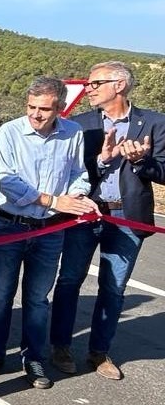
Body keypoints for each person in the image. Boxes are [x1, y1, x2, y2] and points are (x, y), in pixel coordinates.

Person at [0, 77, 97, 389]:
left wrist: (78, 196)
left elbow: (79, 173)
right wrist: (55, 200)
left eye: (44, 109)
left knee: (38, 298)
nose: (36, 114)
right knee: (0, 294)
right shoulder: (10, 131)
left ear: (59, 108)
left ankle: (34, 358)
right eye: (31, 107)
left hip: (50, 230)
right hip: (9, 224)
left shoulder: (73, 134)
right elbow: (7, 182)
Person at [49, 61, 165, 380]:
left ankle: (99, 352)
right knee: (70, 279)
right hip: (85, 212)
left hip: (128, 218)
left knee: (113, 288)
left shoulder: (155, 123)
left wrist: (142, 162)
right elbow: (69, 171)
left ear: (119, 85)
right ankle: (59, 345)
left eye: (95, 84)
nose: (89, 89)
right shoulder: (79, 125)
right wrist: (102, 159)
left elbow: (164, 171)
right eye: (88, 84)